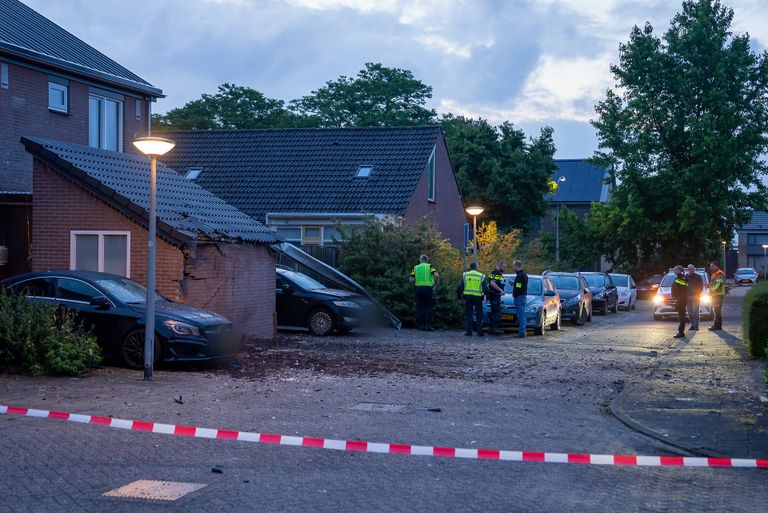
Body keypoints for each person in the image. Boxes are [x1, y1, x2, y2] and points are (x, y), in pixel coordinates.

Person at [410, 254, 439, 331]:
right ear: (427, 260)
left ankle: (421, 326)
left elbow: (411, 279)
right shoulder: (429, 266)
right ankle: (428, 326)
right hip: (428, 289)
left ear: (420, 260)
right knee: (429, 307)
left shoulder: (415, 267)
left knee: (419, 307)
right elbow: (436, 276)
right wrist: (434, 286)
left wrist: (415, 285)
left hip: (418, 289)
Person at [456, 261, 485, 337]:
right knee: (479, 314)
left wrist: (459, 297)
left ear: (470, 267)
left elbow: (460, 287)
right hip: (478, 298)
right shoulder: (481, 276)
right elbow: (485, 288)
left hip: (468, 297)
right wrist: (487, 296)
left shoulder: (465, 275)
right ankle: (479, 332)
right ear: (476, 267)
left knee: (469, 314)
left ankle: (469, 332)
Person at [486, 261, 507, 335]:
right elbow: (492, 283)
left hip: (496, 295)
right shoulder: (494, 273)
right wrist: (500, 290)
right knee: (496, 313)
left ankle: (493, 328)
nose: (505, 269)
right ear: (500, 265)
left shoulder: (498, 273)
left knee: (495, 312)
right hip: (494, 295)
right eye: (504, 267)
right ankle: (494, 329)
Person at [671, 265, 689, 338]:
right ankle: (681, 331)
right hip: (680, 299)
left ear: (679, 270)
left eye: (675, 269)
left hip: (681, 300)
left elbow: (683, 291)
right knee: (681, 315)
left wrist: (679, 301)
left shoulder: (681, 278)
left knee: (681, 316)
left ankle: (681, 332)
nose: (674, 271)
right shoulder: (679, 278)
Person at [511, 260, 528, 338]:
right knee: (522, 315)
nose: (513, 268)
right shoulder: (524, 275)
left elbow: (518, 287)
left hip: (519, 297)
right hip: (522, 296)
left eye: (513, 266)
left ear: (516, 266)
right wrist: (514, 283)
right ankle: (523, 330)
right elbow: (519, 285)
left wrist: (515, 295)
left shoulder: (520, 275)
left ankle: (522, 332)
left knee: (521, 315)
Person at [709, 260, 726, 331]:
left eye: (712, 266)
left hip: (718, 295)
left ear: (717, 266)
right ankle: (717, 325)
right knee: (716, 310)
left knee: (717, 311)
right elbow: (714, 284)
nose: (711, 268)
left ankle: (717, 326)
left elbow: (718, 285)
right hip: (715, 295)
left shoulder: (719, 274)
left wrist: (711, 289)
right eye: (710, 266)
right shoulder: (714, 274)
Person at [686, 264, 703, 331]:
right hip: (687, 297)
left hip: (695, 296)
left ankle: (696, 325)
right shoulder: (685, 277)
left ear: (694, 269)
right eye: (690, 269)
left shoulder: (698, 277)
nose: (691, 270)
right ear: (688, 269)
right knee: (689, 312)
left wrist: (697, 294)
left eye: (692, 269)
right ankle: (692, 325)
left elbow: (701, 287)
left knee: (695, 311)